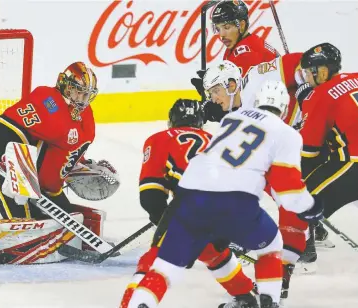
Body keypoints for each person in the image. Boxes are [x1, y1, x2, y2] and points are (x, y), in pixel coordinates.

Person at [125, 80, 324, 308]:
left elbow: (152, 193)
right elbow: (286, 189)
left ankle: (139, 304)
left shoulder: (230, 120)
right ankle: (270, 302)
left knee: (163, 266)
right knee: (271, 245)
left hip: (189, 198)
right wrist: (309, 207)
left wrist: (164, 218)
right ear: (286, 109)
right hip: (235, 200)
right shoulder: (285, 133)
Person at [0, 62, 119, 268]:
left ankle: (65, 240)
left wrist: (82, 166)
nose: (82, 100)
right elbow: (1, 128)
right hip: (6, 176)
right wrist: (14, 169)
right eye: (78, 92)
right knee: (30, 228)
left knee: (60, 224)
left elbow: (66, 152)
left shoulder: (86, 117)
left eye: (87, 95)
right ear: (66, 86)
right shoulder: (48, 102)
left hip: (43, 188)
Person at [120, 99, 258, 308]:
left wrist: (163, 219)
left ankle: (133, 304)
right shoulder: (216, 139)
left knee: (158, 258)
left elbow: (151, 193)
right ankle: (246, 296)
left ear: (171, 122)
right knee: (211, 250)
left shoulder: (159, 139)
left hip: (194, 202)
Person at [294, 42, 358, 263]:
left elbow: (309, 153)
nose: (306, 77)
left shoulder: (320, 94)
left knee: (300, 197)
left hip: (357, 163)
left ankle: (303, 249)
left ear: (321, 71)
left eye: (307, 72)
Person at [191, 0, 279, 121]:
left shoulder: (246, 53)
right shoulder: (238, 46)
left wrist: (216, 111)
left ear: (241, 25)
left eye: (226, 27)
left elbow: (241, 103)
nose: (221, 35)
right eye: (218, 28)